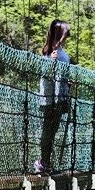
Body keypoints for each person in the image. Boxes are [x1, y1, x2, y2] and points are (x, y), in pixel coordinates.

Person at [35, 19, 72, 175]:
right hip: (52, 98)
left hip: (57, 97)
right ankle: (43, 164)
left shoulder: (56, 52)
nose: (68, 36)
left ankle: (46, 164)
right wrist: (51, 62)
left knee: (51, 131)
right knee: (48, 131)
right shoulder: (52, 53)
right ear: (62, 35)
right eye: (67, 33)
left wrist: (67, 81)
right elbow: (46, 73)